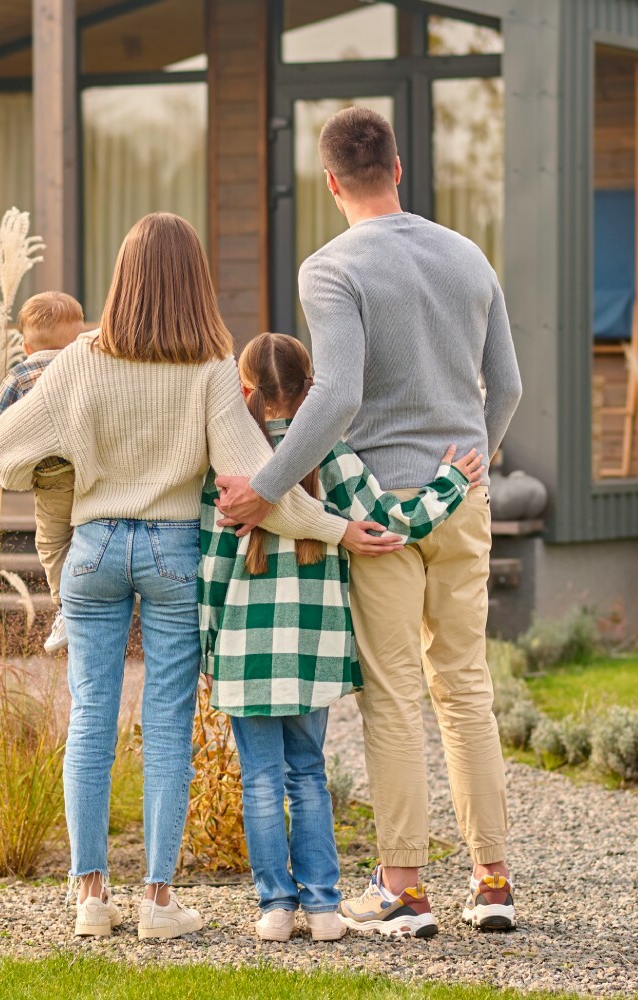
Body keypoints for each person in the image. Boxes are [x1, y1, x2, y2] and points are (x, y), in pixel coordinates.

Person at [0, 213, 402, 941]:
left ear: (121, 279)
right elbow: (259, 487)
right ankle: (156, 902)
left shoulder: (79, 359)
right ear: (195, 283)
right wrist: (339, 529)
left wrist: (63, 468)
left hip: (91, 549)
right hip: (174, 554)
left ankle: (89, 897)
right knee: (168, 726)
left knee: (90, 718)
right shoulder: (211, 370)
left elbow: (0, 450)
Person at [215, 108, 523, 936]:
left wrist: (266, 486)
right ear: (397, 165)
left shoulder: (331, 267)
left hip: (378, 513)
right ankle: (492, 881)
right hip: (461, 499)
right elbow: (511, 385)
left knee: (393, 698)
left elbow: (338, 392)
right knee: (465, 688)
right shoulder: (467, 255)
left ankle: (405, 891)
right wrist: (470, 471)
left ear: (328, 183)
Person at [200, 333, 483, 943]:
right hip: (314, 649)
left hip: (245, 653)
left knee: (259, 780)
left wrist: (210, 645)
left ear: (243, 391)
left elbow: (212, 565)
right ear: (313, 393)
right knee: (308, 774)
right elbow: (391, 523)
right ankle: (325, 908)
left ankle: (276, 908)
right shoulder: (330, 453)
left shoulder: (229, 461)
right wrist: (450, 482)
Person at [0, 291, 84, 654]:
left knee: (52, 542)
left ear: (25, 346)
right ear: (79, 335)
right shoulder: (87, 365)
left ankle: (67, 607)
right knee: (88, 533)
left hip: (52, 475)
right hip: (93, 467)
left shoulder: (20, 375)